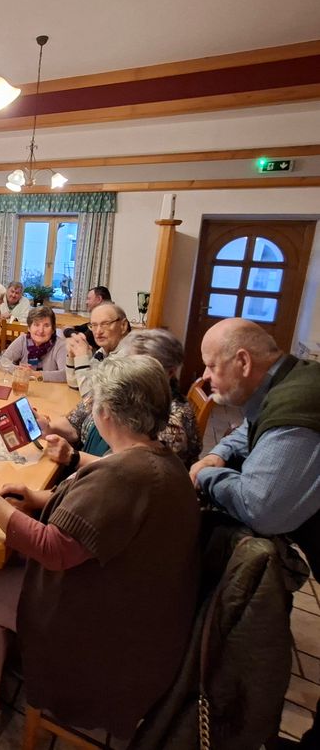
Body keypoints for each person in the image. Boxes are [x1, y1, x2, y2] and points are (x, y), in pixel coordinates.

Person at [0, 355, 200, 740]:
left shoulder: (125, 474)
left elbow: (54, 550)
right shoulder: (157, 460)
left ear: (106, 412)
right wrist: (36, 497)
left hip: (100, 629)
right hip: (142, 606)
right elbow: (98, 519)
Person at [188, 318, 320, 750]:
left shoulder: (297, 413)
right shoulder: (289, 379)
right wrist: (219, 454)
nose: (204, 377)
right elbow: (250, 428)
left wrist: (208, 478)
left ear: (242, 361)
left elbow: (263, 508)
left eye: (211, 366)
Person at [40, 328, 201, 471]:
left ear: (169, 372)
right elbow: (74, 422)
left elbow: (132, 473)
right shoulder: (118, 388)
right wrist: (47, 428)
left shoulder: (170, 422)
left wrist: (73, 456)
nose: (124, 371)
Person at [65, 301, 130, 397]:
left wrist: (82, 358)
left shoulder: (129, 357)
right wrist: (72, 356)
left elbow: (91, 399)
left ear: (123, 326)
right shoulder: (103, 352)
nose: (98, 331)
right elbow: (76, 385)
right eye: (94, 325)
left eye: (105, 324)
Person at [0, 306, 67, 382]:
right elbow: (2, 361)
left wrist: (35, 374)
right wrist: (18, 370)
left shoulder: (60, 345)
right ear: (29, 328)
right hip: (24, 387)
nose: (41, 331)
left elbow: (66, 374)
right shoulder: (23, 340)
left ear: (53, 329)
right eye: (36, 325)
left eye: (46, 325)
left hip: (51, 390)